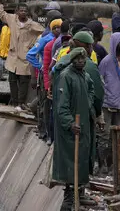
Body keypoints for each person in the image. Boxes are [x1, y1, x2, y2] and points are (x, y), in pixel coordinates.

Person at [52, 47, 94, 211]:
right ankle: (68, 203)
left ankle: (79, 197)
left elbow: (91, 90)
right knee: (70, 169)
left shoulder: (85, 75)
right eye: (78, 59)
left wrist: (88, 104)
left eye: (83, 59)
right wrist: (70, 123)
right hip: (70, 132)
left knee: (82, 163)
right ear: (73, 60)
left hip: (83, 128)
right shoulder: (66, 77)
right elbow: (61, 107)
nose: (81, 62)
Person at [0, 0, 44, 108]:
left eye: (25, 11)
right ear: (17, 12)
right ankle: (14, 101)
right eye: (21, 10)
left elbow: (44, 33)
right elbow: (1, 13)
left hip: (25, 58)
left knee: (23, 82)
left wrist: (34, 45)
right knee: (12, 80)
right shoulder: (12, 19)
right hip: (12, 57)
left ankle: (21, 103)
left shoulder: (32, 25)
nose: (23, 12)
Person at [99, 32, 120, 175]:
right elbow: (100, 83)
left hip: (119, 107)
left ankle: (114, 167)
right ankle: (102, 165)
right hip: (107, 105)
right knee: (104, 136)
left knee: (117, 138)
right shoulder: (106, 62)